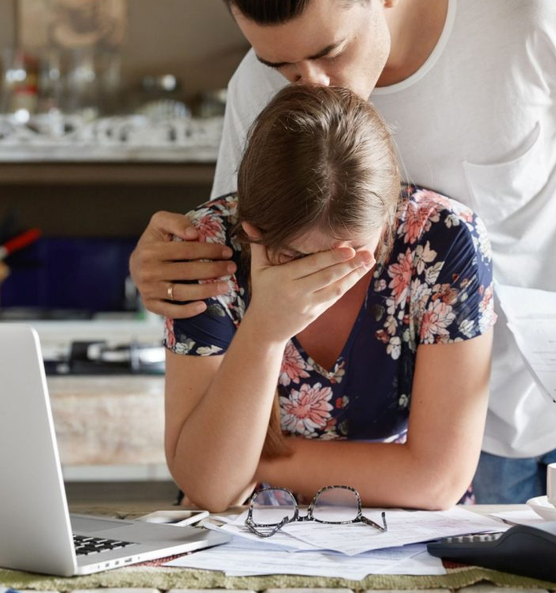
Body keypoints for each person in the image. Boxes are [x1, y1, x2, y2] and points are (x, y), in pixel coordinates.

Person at [133, 0, 556, 503]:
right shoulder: (259, 85)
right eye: (281, 66)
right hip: (421, 416)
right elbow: (242, 241)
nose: (311, 86)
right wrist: (162, 264)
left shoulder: (532, 18)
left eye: (329, 52)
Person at [165, 84, 495, 511]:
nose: (327, 278)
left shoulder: (444, 240)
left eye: (353, 256)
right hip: (246, 537)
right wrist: (265, 331)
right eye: (297, 257)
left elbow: (436, 481)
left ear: (388, 218)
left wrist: (248, 463)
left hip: (404, 533)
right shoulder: (207, 247)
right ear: (251, 231)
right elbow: (210, 489)